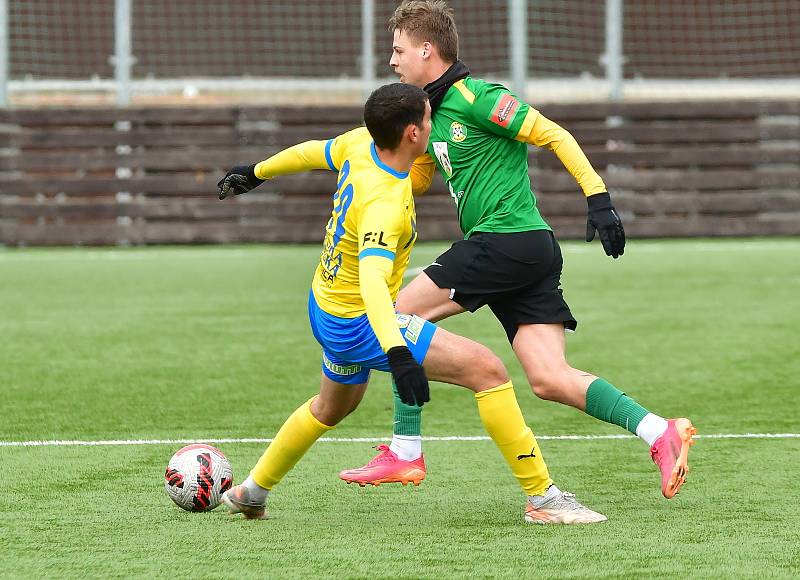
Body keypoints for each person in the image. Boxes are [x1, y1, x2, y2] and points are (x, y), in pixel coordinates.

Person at [338, 0, 696, 500]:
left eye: (398, 50)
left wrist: (599, 199)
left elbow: (553, 134)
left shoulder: (478, 97)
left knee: (393, 315)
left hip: (505, 241)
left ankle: (405, 450)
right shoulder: (428, 117)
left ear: (426, 49)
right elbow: (414, 179)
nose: (392, 61)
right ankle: (660, 431)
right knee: (550, 378)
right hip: (525, 252)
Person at [215, 82, 606, 524]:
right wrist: (399, 354)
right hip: (359, 320)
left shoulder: (360, 143)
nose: (434, 120)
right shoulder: (384, 203)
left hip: (325, 304)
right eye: (428, 116)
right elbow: (372, 284)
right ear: (413, 135)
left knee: (332, 407)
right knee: (488, 370)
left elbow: (311, 152)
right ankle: (543, 499)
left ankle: (252, 490)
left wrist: (256, 171)